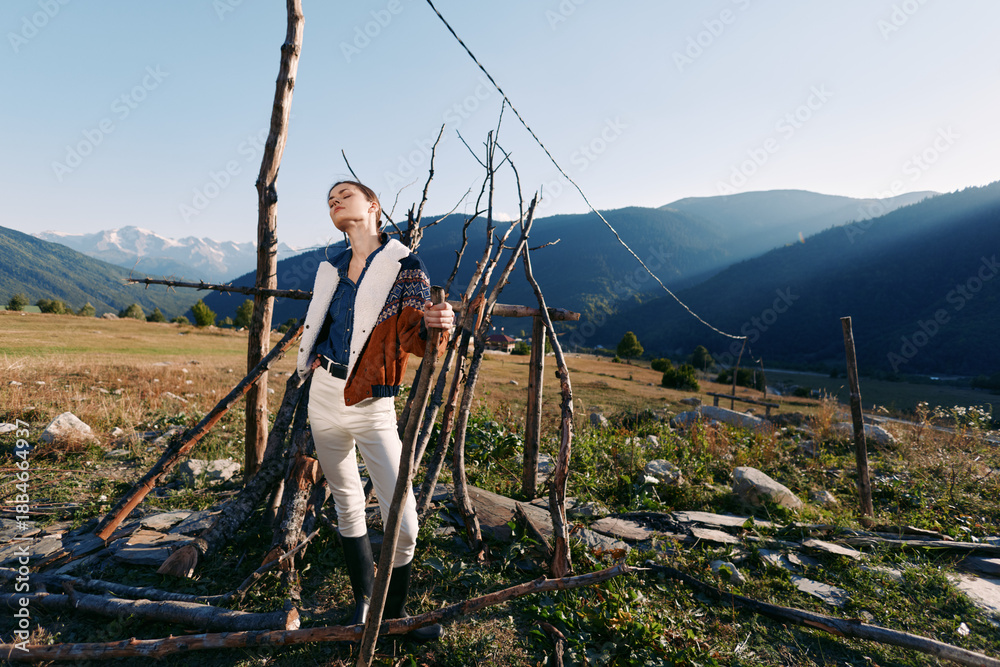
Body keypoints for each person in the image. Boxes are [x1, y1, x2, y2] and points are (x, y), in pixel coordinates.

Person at [296, 180, 453, 642]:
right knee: (346, 501)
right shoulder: (331, 268)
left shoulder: (405, 266)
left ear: (373, 205)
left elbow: (418, 341)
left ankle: (394, 617)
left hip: (370, 401)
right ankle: (363, 602)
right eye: (329, 200)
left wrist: (437, 325)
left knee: (404, 524)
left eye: (345, 193)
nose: (335, 201)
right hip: (323, 392)